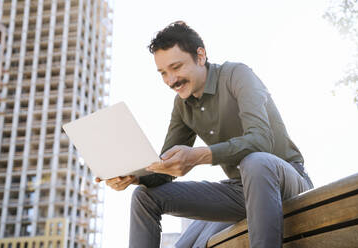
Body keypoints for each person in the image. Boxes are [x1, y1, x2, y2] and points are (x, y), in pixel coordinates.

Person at [96, 21, 314, 248]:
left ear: (200, 56)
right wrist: (134, 176)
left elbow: (260, 140)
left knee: (255, 162)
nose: (171, 80)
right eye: (163, 73)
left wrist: (199, 155)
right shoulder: (182, 105)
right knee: (143, 197)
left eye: (176, 67)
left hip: (284, 181)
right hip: (238, 191)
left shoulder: (237, 75)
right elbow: (165, 169)